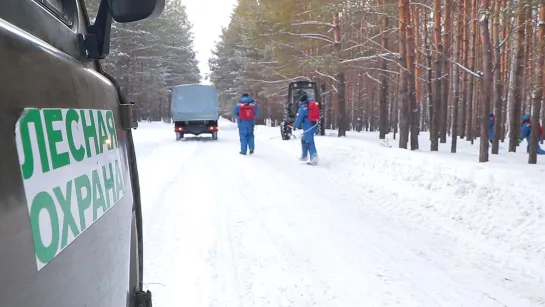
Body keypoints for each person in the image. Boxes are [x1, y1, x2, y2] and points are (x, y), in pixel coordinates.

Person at [293, 94, 319, 165]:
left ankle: (314, 159)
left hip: (308, 127)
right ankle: (304, 156)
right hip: (312, 126)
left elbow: (299, 118)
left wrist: (295, 126)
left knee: (310, 142)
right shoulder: (309, 105)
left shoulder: (303, 108)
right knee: (304, 140)